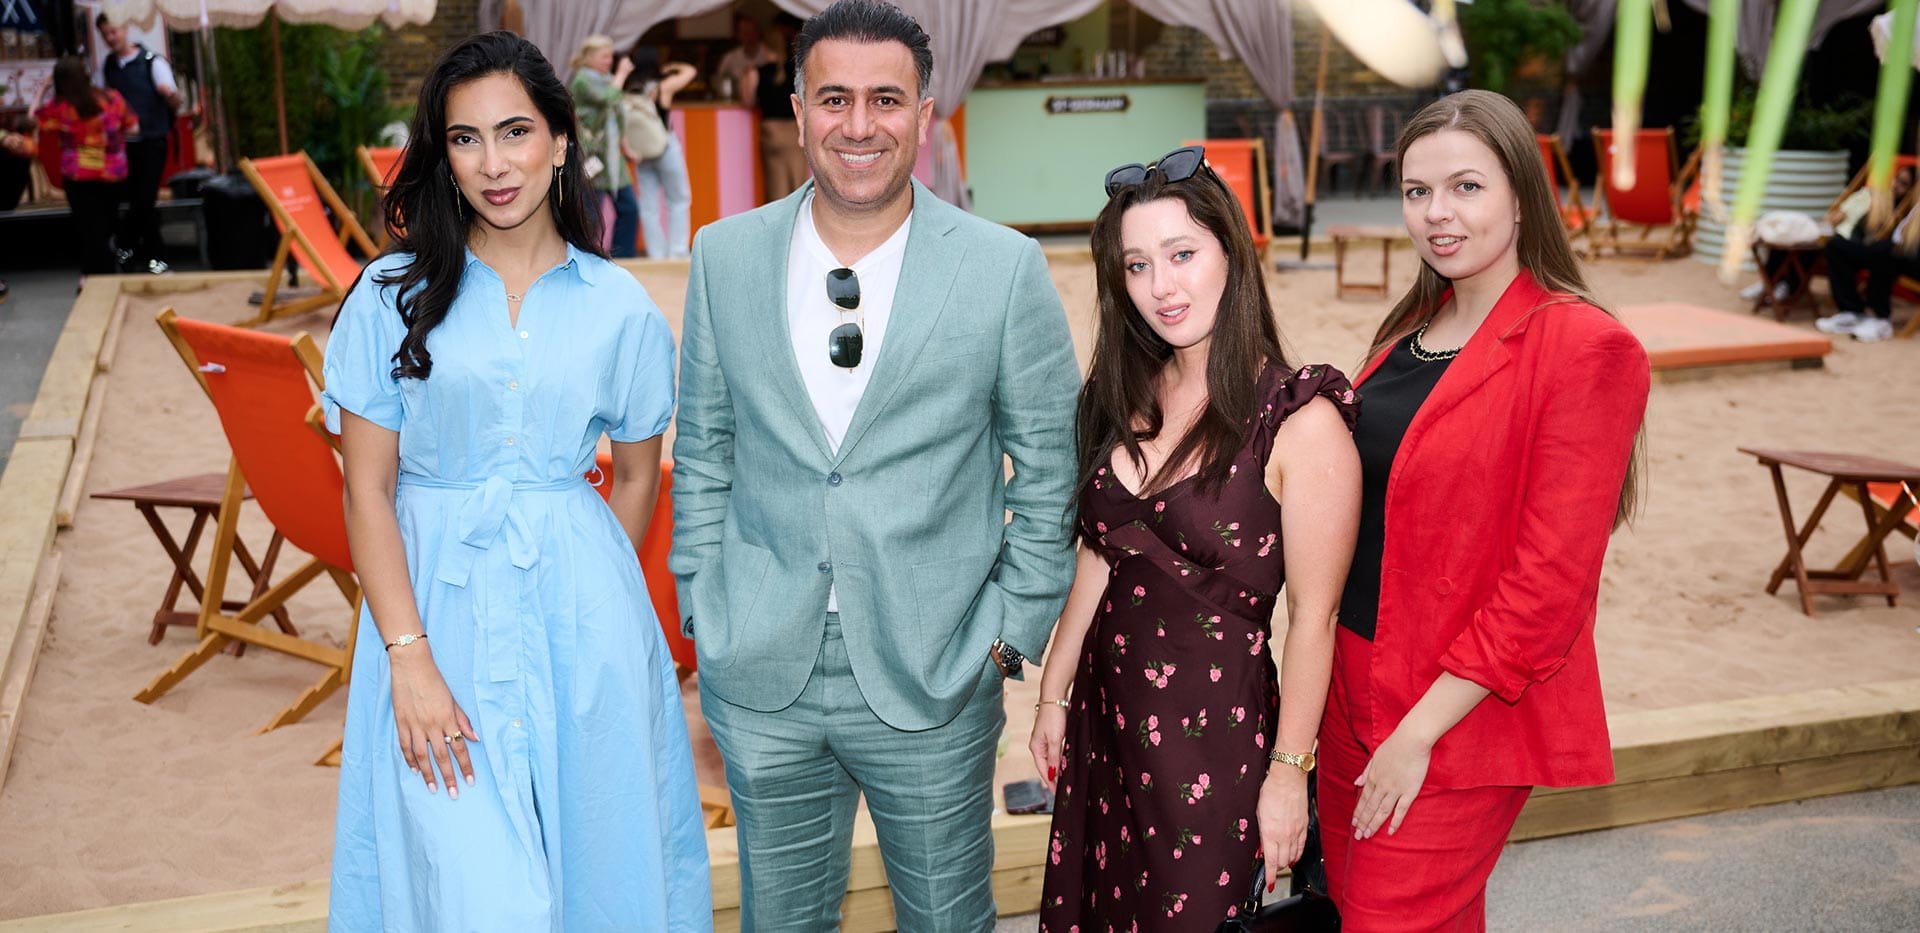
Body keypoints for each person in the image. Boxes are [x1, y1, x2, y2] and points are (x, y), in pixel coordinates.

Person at [669, 1, 1081, 927]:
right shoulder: (722, 257)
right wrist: (704, 601)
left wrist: (1007, 636)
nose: (860, 126)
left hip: (938, 671)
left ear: (925, 115)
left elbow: (1052, 471)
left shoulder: (1002, 268)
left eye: (886, 99)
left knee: (946, 917)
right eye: (836, 98)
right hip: (760, 664)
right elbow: (701, 449)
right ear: (800, 108)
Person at [323, 32, 709, 931]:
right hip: (434, 619)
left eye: (515, 132)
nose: (494, 164)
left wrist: (590, 589)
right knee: (465, 883)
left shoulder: (620, 308)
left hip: (585, 625)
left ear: (563, 141)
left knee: (603, 867)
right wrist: (408, 659)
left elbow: (641, 480)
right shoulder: (390, 296)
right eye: (465, 139)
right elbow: (366, 491)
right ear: (442, 154)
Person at [1322, 90, 1648, 931]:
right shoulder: (1409, 332)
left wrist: (1418, 732)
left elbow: (1549, 588)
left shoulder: (1583, 346)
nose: (1437, 214)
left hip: (1455, 709)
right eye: (1417, 191)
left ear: (1519, 195)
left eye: (1466, 188)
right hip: (1347, 687)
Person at [1029, 146, 1361, 930]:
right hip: (1105, 729)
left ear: (1230, 253)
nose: (1162, 287)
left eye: (1182, 254)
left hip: (1216, 747)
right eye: (1137, 265)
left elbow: (1314, 618)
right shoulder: (1119, 394)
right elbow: (1103, 553)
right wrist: (1052, 688)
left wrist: (1288, 775)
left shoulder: (1298, 420)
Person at [35, 56, 136, 278]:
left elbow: (34, 120)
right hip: (113, 173)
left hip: (79, 176)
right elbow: (133, 127)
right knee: (107, 224)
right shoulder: (112, 98)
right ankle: (99, 273)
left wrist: (43, 88)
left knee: (89, 228)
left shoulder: (61, 107)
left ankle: (95, 276)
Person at [96, 13, 181, 274]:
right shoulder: (108, 66)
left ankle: (144, 251)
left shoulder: (151, 62)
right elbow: (98, 99)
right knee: (132, 200)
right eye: (106, 34)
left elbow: (175, 99)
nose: (111, 38)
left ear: (125, 28)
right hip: (121, 146)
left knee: (145, 199)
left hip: (151, 141)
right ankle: (133, 251)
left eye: (114, 31)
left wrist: (169, 95)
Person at [1813, 165, 1919, 343]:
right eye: (1896, 180)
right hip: (1893, 250)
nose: (1895, 185)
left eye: (1904, 184)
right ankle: (1851, 311)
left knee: (1886, 251)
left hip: (1908, 255)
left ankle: (1880, 319)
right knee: (1836, 246)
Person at [568, 34, 638, 258]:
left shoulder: (607, 79)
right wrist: (622, 74)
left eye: (611, 56)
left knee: (629, 209)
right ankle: (587, 257)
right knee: (591, 214)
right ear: (589, 57)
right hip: (591, 156)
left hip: (612, 158)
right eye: (604, 56)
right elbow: (608, 98)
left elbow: (616, 117)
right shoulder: (582, 81)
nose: (610, 60)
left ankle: (623, 256)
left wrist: (625, 147)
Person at [625, 46, 695, 258]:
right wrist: (672, 66)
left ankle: (656, 254)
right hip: (665, 147)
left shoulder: (628, 89)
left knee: (648, 205)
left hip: (642, 152)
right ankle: (678, 251)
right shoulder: (663, 86)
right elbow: (690, 72)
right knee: (678, 199)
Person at [741, 12, 808, 201]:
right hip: (795, 132)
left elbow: (748, 101)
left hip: (772, 133)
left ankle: (778, 228)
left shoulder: (756, 72)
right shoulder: (801, 73)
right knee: (798, 188)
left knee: (776, 190)